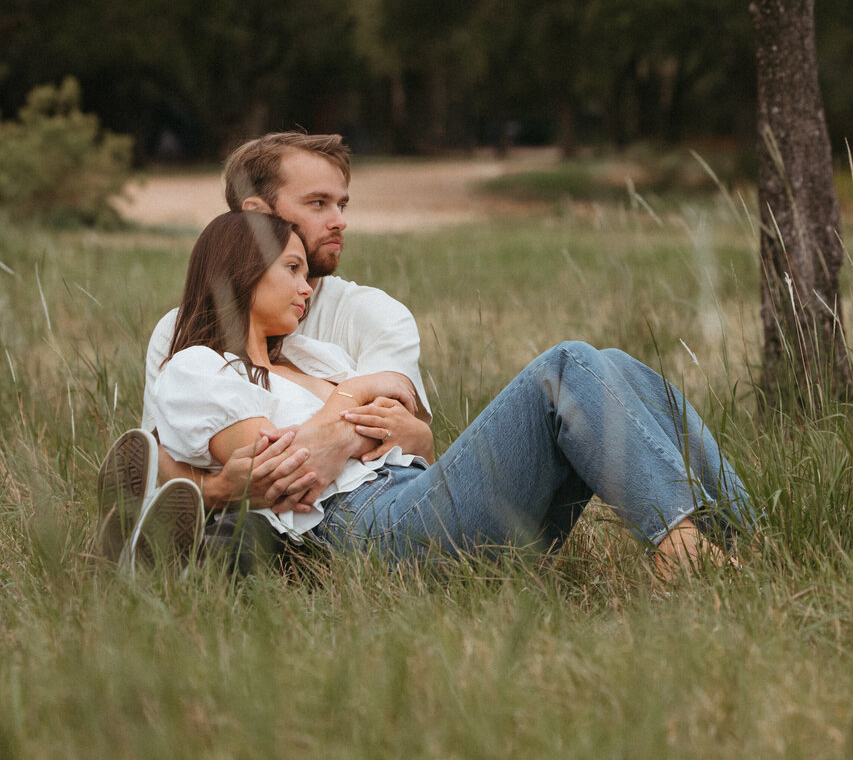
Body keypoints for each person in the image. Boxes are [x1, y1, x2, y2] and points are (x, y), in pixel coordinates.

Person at [127, 210, 755, 578]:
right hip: (367, 528)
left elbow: (410, 428)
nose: (308, 286)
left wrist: (345, 424)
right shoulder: (199, 369)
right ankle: (683, 552)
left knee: (613, 365)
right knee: (566, 367)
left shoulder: (317, 359)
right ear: (239, 271)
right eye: (291, 269)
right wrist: (355, 410)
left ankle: (741, 541)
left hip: (412, 494)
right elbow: (279, 468)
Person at [94, 131, 430, 569]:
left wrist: (365, 421)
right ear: (255, 215)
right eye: (317, 204)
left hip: (383, 493)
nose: (339, 221)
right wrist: (217, 491)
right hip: (339, 513)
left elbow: (405, 430)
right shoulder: (183, 334)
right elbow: (163, 458)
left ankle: (212, 549)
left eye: (341, 205)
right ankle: (198, 548)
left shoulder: (371, 317)